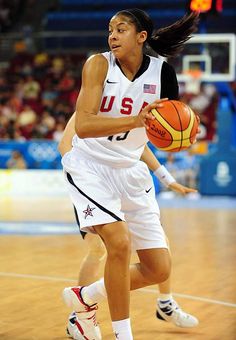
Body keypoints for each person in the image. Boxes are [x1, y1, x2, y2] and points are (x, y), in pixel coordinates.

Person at [61, 8, 199, 340]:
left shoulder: (163, 73)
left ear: (141, 37)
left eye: (120, 29)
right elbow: (85, 125)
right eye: (110, 29)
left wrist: (179, 137)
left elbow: (159, 128)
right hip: (90, 166)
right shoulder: (98, 64)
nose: (112, 35)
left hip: (130, 171)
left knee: (158, 268)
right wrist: (136, 121)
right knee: (117, 245)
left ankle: (85, 298)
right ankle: (124, 335)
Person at [59, 112, 199, 338]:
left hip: (127, 180)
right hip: (93, 181)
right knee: (99, 249)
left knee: (159, 245)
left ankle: (165, 302)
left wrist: (167, 178)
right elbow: (65, 144)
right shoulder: (91, 103)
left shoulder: (135, 102)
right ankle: (79, 316)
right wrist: (86, 177)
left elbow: (136, 145)